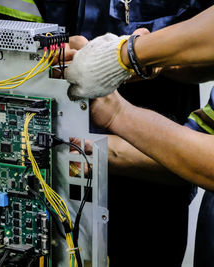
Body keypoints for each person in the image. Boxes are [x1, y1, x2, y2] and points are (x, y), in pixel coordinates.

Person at [48, 1, 214, 266]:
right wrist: (96, 147)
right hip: (103, 171)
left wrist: (125, 57)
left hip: (151, 208)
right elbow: (194, 144)